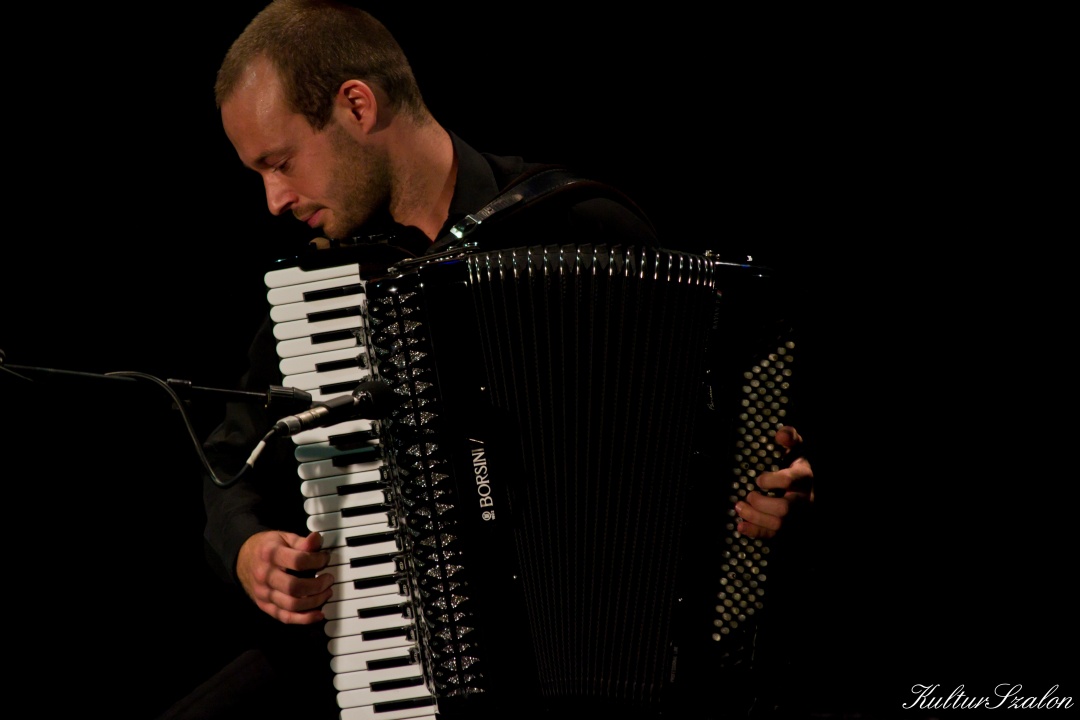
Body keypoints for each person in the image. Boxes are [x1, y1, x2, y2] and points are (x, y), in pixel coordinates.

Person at [158, 2, 815, 719]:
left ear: (357, 104)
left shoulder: (575, 225)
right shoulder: (328, 293)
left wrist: (768, 487)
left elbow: (701, 446)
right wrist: (250, 551)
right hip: (394, 663)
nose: (274, 199)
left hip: (603, 679)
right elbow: (231, 458)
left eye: (280, 163)